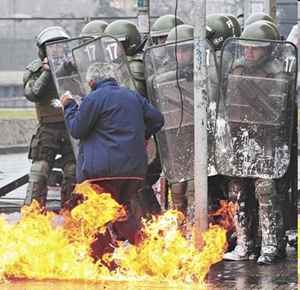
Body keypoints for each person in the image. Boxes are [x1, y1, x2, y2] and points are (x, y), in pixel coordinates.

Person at [60, 62, 164, 262]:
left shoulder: (94, 98)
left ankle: (99, 258)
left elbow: (76, 129)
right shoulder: (133, 96)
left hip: (103, 171)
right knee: (120, 211)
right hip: (133, 171)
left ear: (91, 82)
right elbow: (157, 119)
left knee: (98, 213)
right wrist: (143, 136)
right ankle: (144, 251)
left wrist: (69, 106)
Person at [222, 21, 296, 264]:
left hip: (268, 142)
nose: (249, 52)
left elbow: (279, 112)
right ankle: (244, 243)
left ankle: (270, 244)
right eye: (245, 48)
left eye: (256, 48)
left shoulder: (278, 73)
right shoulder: (238, 69)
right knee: (236, 189)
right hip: (241, 140)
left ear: (269, 49)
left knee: (265, 191)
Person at [104, 20, 163, 215]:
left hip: (141, 135)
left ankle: (153, 223)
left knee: (137, 182)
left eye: (118, 44)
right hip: (133, 135)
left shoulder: (135, 66)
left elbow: (131, 101)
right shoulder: (120, 66)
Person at [23, 26, 76, 207]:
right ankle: (33, 213)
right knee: (39, 170)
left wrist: (70, 70)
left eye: (59, 46)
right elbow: (33, 94)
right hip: (47, 128)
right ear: (42, 50)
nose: (56, 49)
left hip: (70, 126)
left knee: (73, 172)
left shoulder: (73, 66)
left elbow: (85, 89)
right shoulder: (35, 70)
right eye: (51, 46)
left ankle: (72, 214)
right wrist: (47, 71)